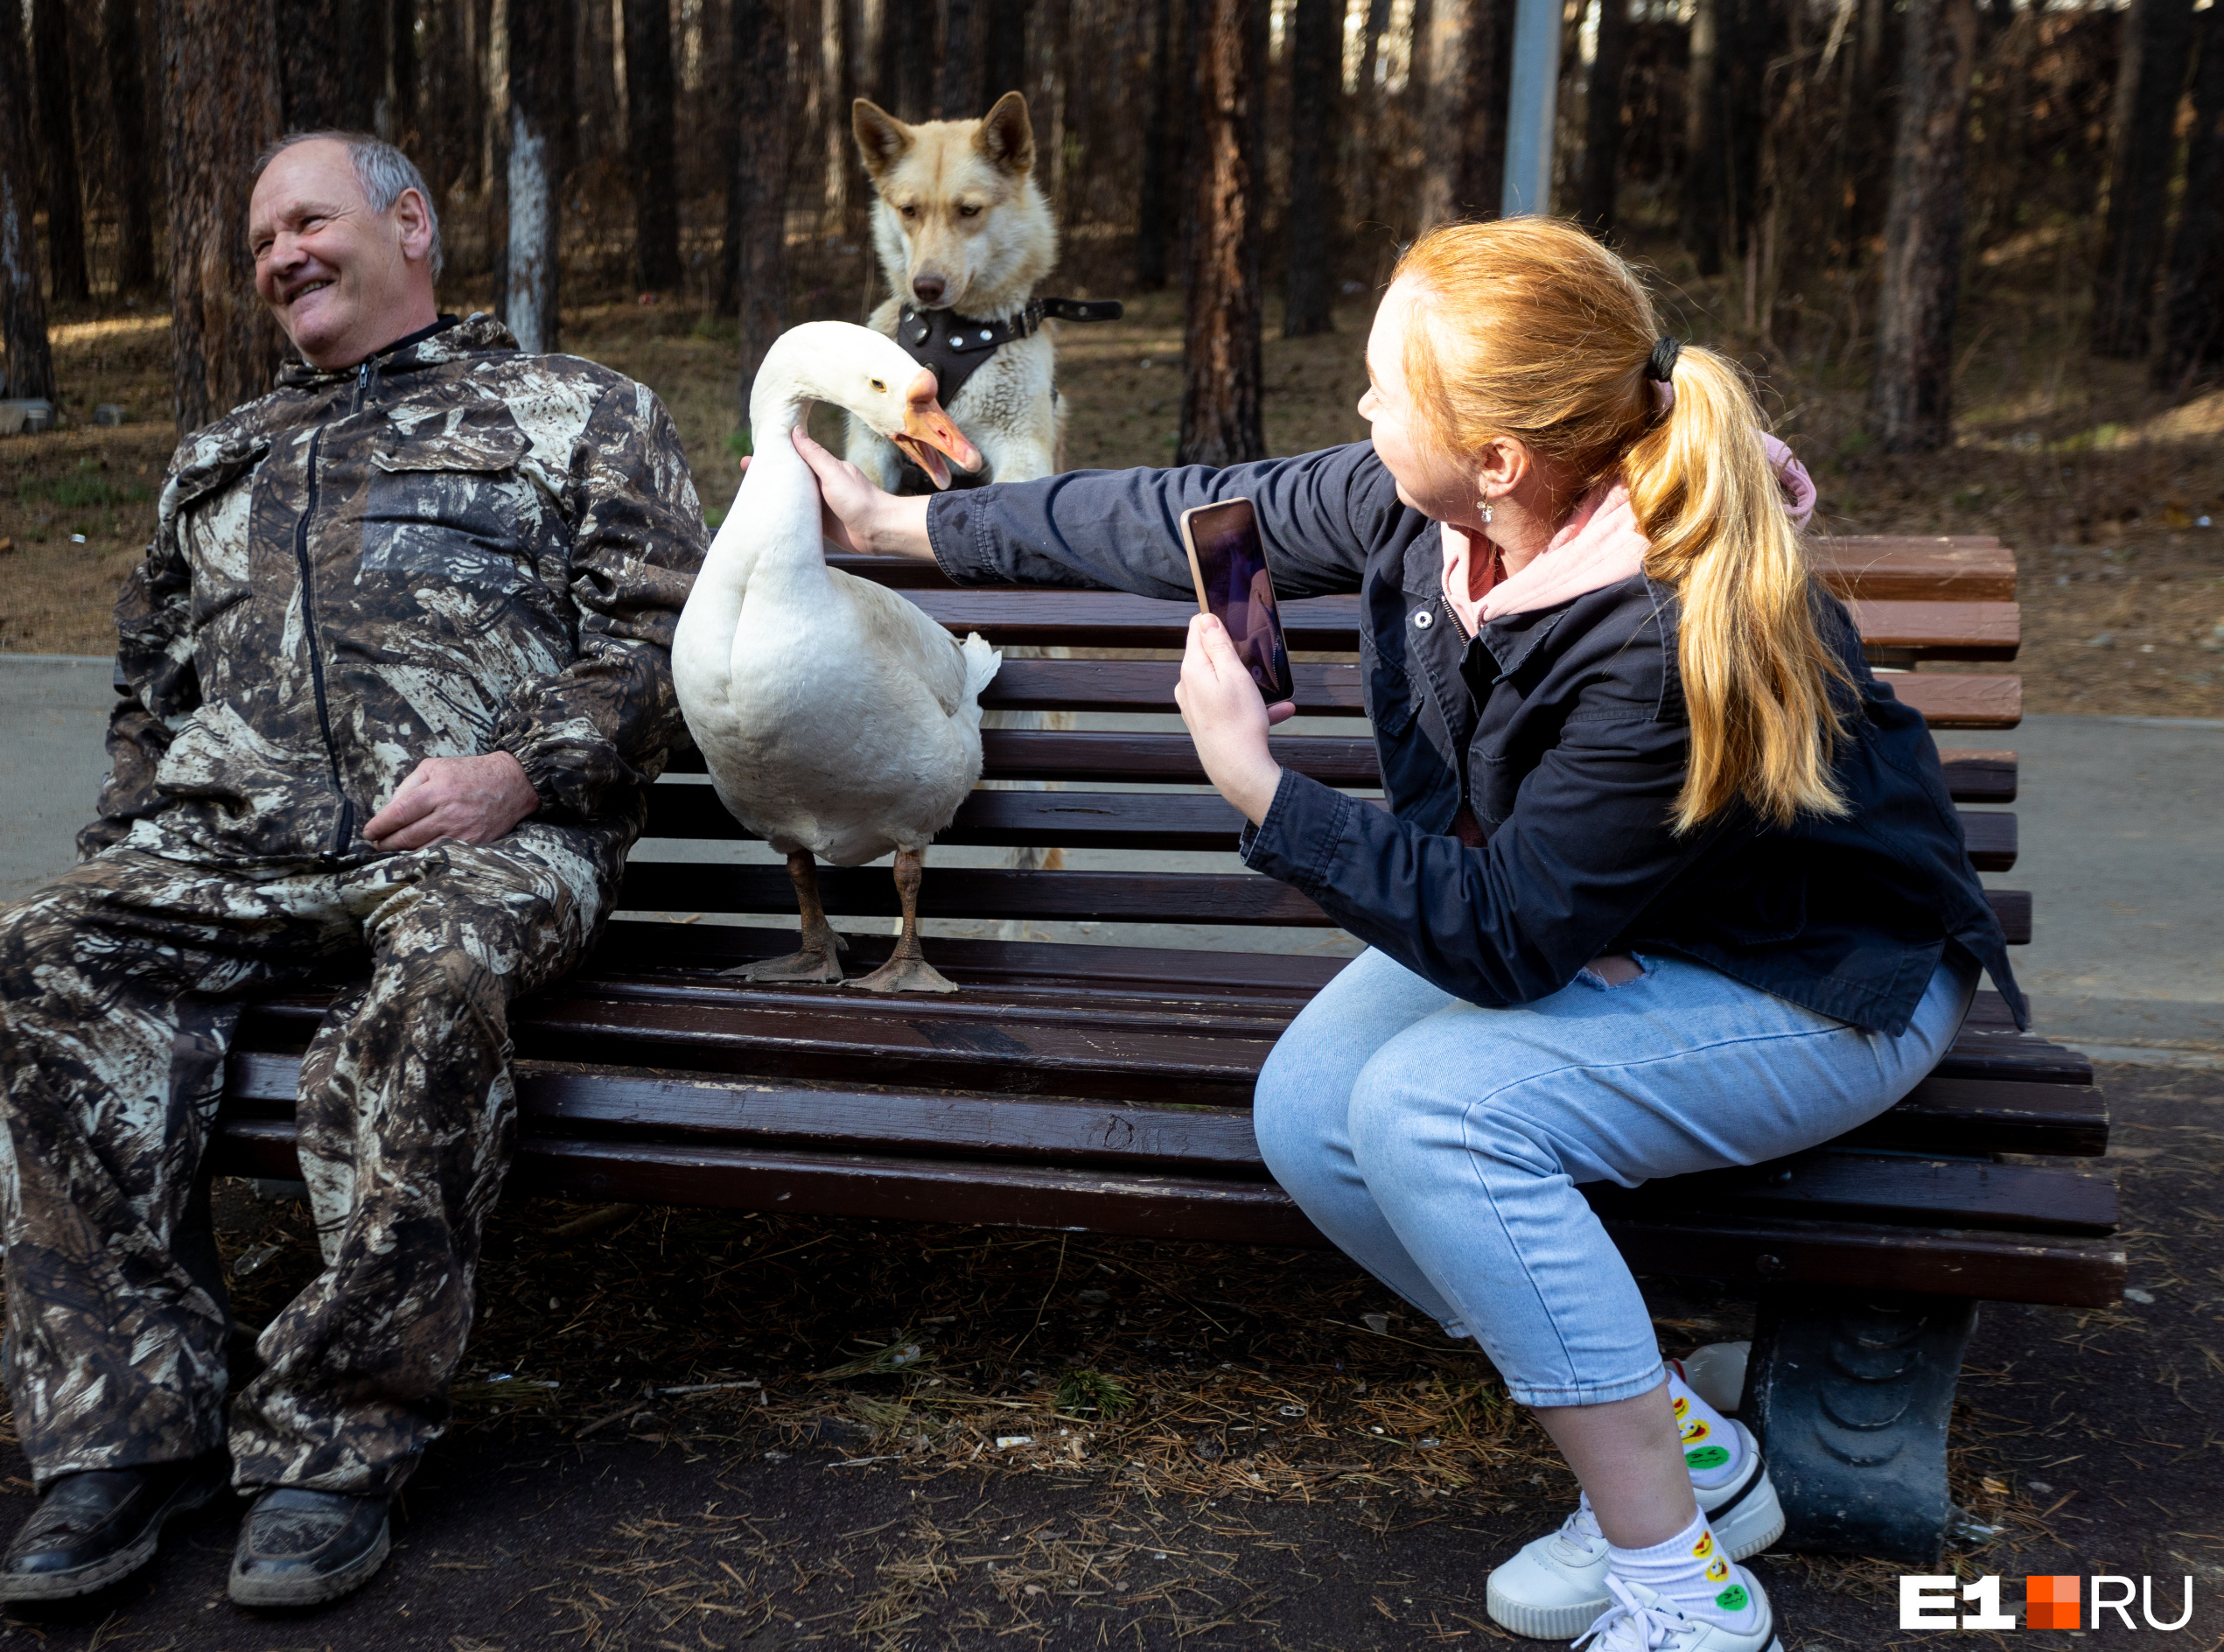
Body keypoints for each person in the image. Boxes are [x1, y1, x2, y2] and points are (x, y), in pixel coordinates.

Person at [801, 216, 2020, 1652]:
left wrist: (1260, 785)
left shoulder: (1657, 620)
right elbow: (1190, 508)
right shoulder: (1426, 503)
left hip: (1814, 977)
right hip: (1607, 919)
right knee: (1316, 1108)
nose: (1364, 411)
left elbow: (1502, 936)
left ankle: (1682, 1588)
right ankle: (1694, 1452)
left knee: (1439, 1114)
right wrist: (898, 524)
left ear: (1499, 457)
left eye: (1388, 387)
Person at [0, 132, 707, 1611]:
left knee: (434, 980)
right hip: (231, 848)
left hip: (486, 843)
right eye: (260, 242)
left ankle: (334, 1441)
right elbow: (152, 686)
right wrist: (132, 844)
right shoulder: (223, 452)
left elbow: (666, 636)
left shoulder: (574, 410)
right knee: (40, 952)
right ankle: (126, 1432)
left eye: (306, 220)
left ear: (413, 224)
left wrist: (521, 775)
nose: (279, 256)